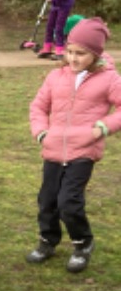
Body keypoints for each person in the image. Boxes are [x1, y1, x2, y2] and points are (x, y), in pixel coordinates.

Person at [27, 17, 121, 273]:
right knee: (47, 200)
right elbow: (38, 106)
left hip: (83, 151)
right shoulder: (56, 76)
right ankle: (48, 241)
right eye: (70, 51)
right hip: (53, 149)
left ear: (95, 54)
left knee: (69, 202)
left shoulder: (109, 79)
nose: (73, 58)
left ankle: (82, 244)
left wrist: (102, 127)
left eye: (81, 53)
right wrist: (41, 132)